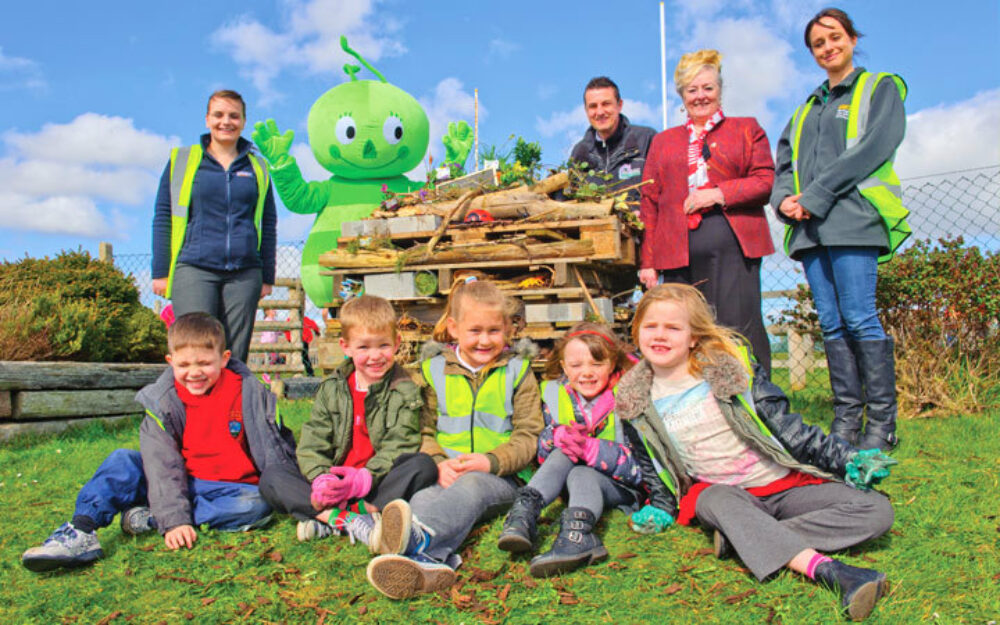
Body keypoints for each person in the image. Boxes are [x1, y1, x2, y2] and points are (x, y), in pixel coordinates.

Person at [617, 284, 897, 621]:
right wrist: (661, 507)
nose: (660, 335)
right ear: (636, 332)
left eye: (673, 327)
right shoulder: (635, 396)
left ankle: (741, 538)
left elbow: (789, 428)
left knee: (876, 510)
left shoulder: (731, 369)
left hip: (782, 484)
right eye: (650, 326)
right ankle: (831, 571)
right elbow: (651, 463)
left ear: (693, 336)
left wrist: (847, 459)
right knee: (716, 502)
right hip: (721, 493)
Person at [21, 312, 298, 572]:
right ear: (170, 361)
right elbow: (162, 464)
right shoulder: (163, 400)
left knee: (257, 505)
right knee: (122, 461)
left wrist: (299, 493)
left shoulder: (250, 392)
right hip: (173, 479)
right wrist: (175, 522)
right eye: (184, 365)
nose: (194, 372)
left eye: (204, 363)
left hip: (228, 488)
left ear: (224, 358)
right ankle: (81, 530)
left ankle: (150, 517)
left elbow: (278, 446)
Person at [771, 9, 909, 451]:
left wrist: (815, 195)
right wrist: (783, 201)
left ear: (851, 39)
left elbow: (873, 149)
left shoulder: (879, 88)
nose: (828, 47)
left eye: (834, 38)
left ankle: (881, 425)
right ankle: (846, 421)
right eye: (818, 44)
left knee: (858, 316)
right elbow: (784, 165)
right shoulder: (805, 108)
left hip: (853, 221)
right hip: (810, 233)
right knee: (830, 324)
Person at [363, 280, 544, 599]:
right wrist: (438, 462)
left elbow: (528, 435)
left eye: (494, 331)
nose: (485, 340)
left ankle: (415, 541)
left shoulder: (518, 371)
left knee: (470, 488)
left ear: (507, 329)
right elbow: (423, 429)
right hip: (446, 471)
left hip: (500, 477)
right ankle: (426, 563)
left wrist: (490, 461)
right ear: (454, 328)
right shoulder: (432, 371)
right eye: (475, 331)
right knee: (423, 498)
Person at [638, 50, 776, 375]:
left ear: (719, 90)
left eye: (707, 88)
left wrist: (718, 193)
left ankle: (757, 401)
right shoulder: (663, 142)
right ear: (682, 95)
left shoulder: (746, 129)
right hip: (676, 252)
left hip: (731, 244)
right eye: (692, 90)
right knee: (684, 330)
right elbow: (650, 202)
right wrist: (648, 262)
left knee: (737, 326)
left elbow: (765, 181)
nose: (700, 96)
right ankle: (699, 404)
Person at [258, 295, 437, 542]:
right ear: (346, 346)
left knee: (422, 466)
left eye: (383, 346)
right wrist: (322, 479)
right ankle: (344, 519)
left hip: (375, 481)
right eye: (363, 347)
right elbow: (313, 440)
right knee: (273, 476)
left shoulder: (405, 388)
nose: (375, 356)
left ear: (396, 343)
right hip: (335, 480)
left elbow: (401, 443)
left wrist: (363, 479)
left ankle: (342, 516)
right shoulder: (332, 387)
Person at [497, 322, 642, 577]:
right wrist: (556, 436)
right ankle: (525, 513)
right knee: (565, 453)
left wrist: (592, 450)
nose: (586, 373)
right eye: (576, 366)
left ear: (613, 364)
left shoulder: (631, 396)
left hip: (619, 485)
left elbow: (643, 467)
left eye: (597, 364)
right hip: (569, 479)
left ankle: (577, 533)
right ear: (564, 366)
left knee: (581, 472)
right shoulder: (555, 393)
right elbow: (544, 454)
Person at [151, 89, 277, 364]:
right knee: (195, 347)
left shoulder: (258, 167)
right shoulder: (182, 160)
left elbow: (268, 223)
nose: (226, 121)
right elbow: (163, 214)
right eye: (219, 115)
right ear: (207, 119)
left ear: (243, 122)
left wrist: (267, 275)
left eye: (234, 116)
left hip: (244, 273)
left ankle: (233, 408)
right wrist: (160, 271)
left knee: (233, 353)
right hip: (194, 267)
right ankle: (190, 407)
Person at [570, 76, 657, 203]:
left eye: (606, 104)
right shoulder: (579, 153)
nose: (599, 112)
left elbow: (663, 192)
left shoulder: (646, 140)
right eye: (593, 106)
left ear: (619, 105)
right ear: (586, 110)